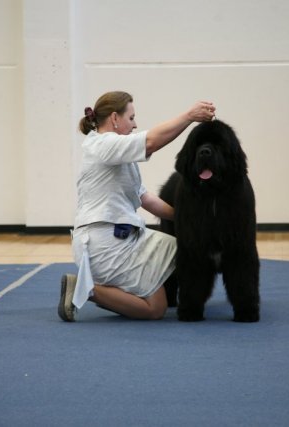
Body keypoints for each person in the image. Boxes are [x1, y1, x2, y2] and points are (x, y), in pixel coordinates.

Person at [58, 91, 216, 322]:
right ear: (114, 118)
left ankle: (116, 291)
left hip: (124, 238)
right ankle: (85, 289)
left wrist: (189, 218)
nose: (135, 124)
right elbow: (151, 142)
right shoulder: (103, 144)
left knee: (185, 248)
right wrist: (189, 116)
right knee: (155, 310)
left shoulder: (117, 154)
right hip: (105, 247)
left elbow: (145, 199)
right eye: (131, 118)